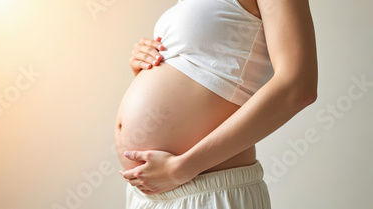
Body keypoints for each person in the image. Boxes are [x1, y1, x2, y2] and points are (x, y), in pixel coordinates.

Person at [114, 0, 317, 208]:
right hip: (148, 192)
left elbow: (298, 86)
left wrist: (183, 168)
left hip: (207, 190)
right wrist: (146, 65)